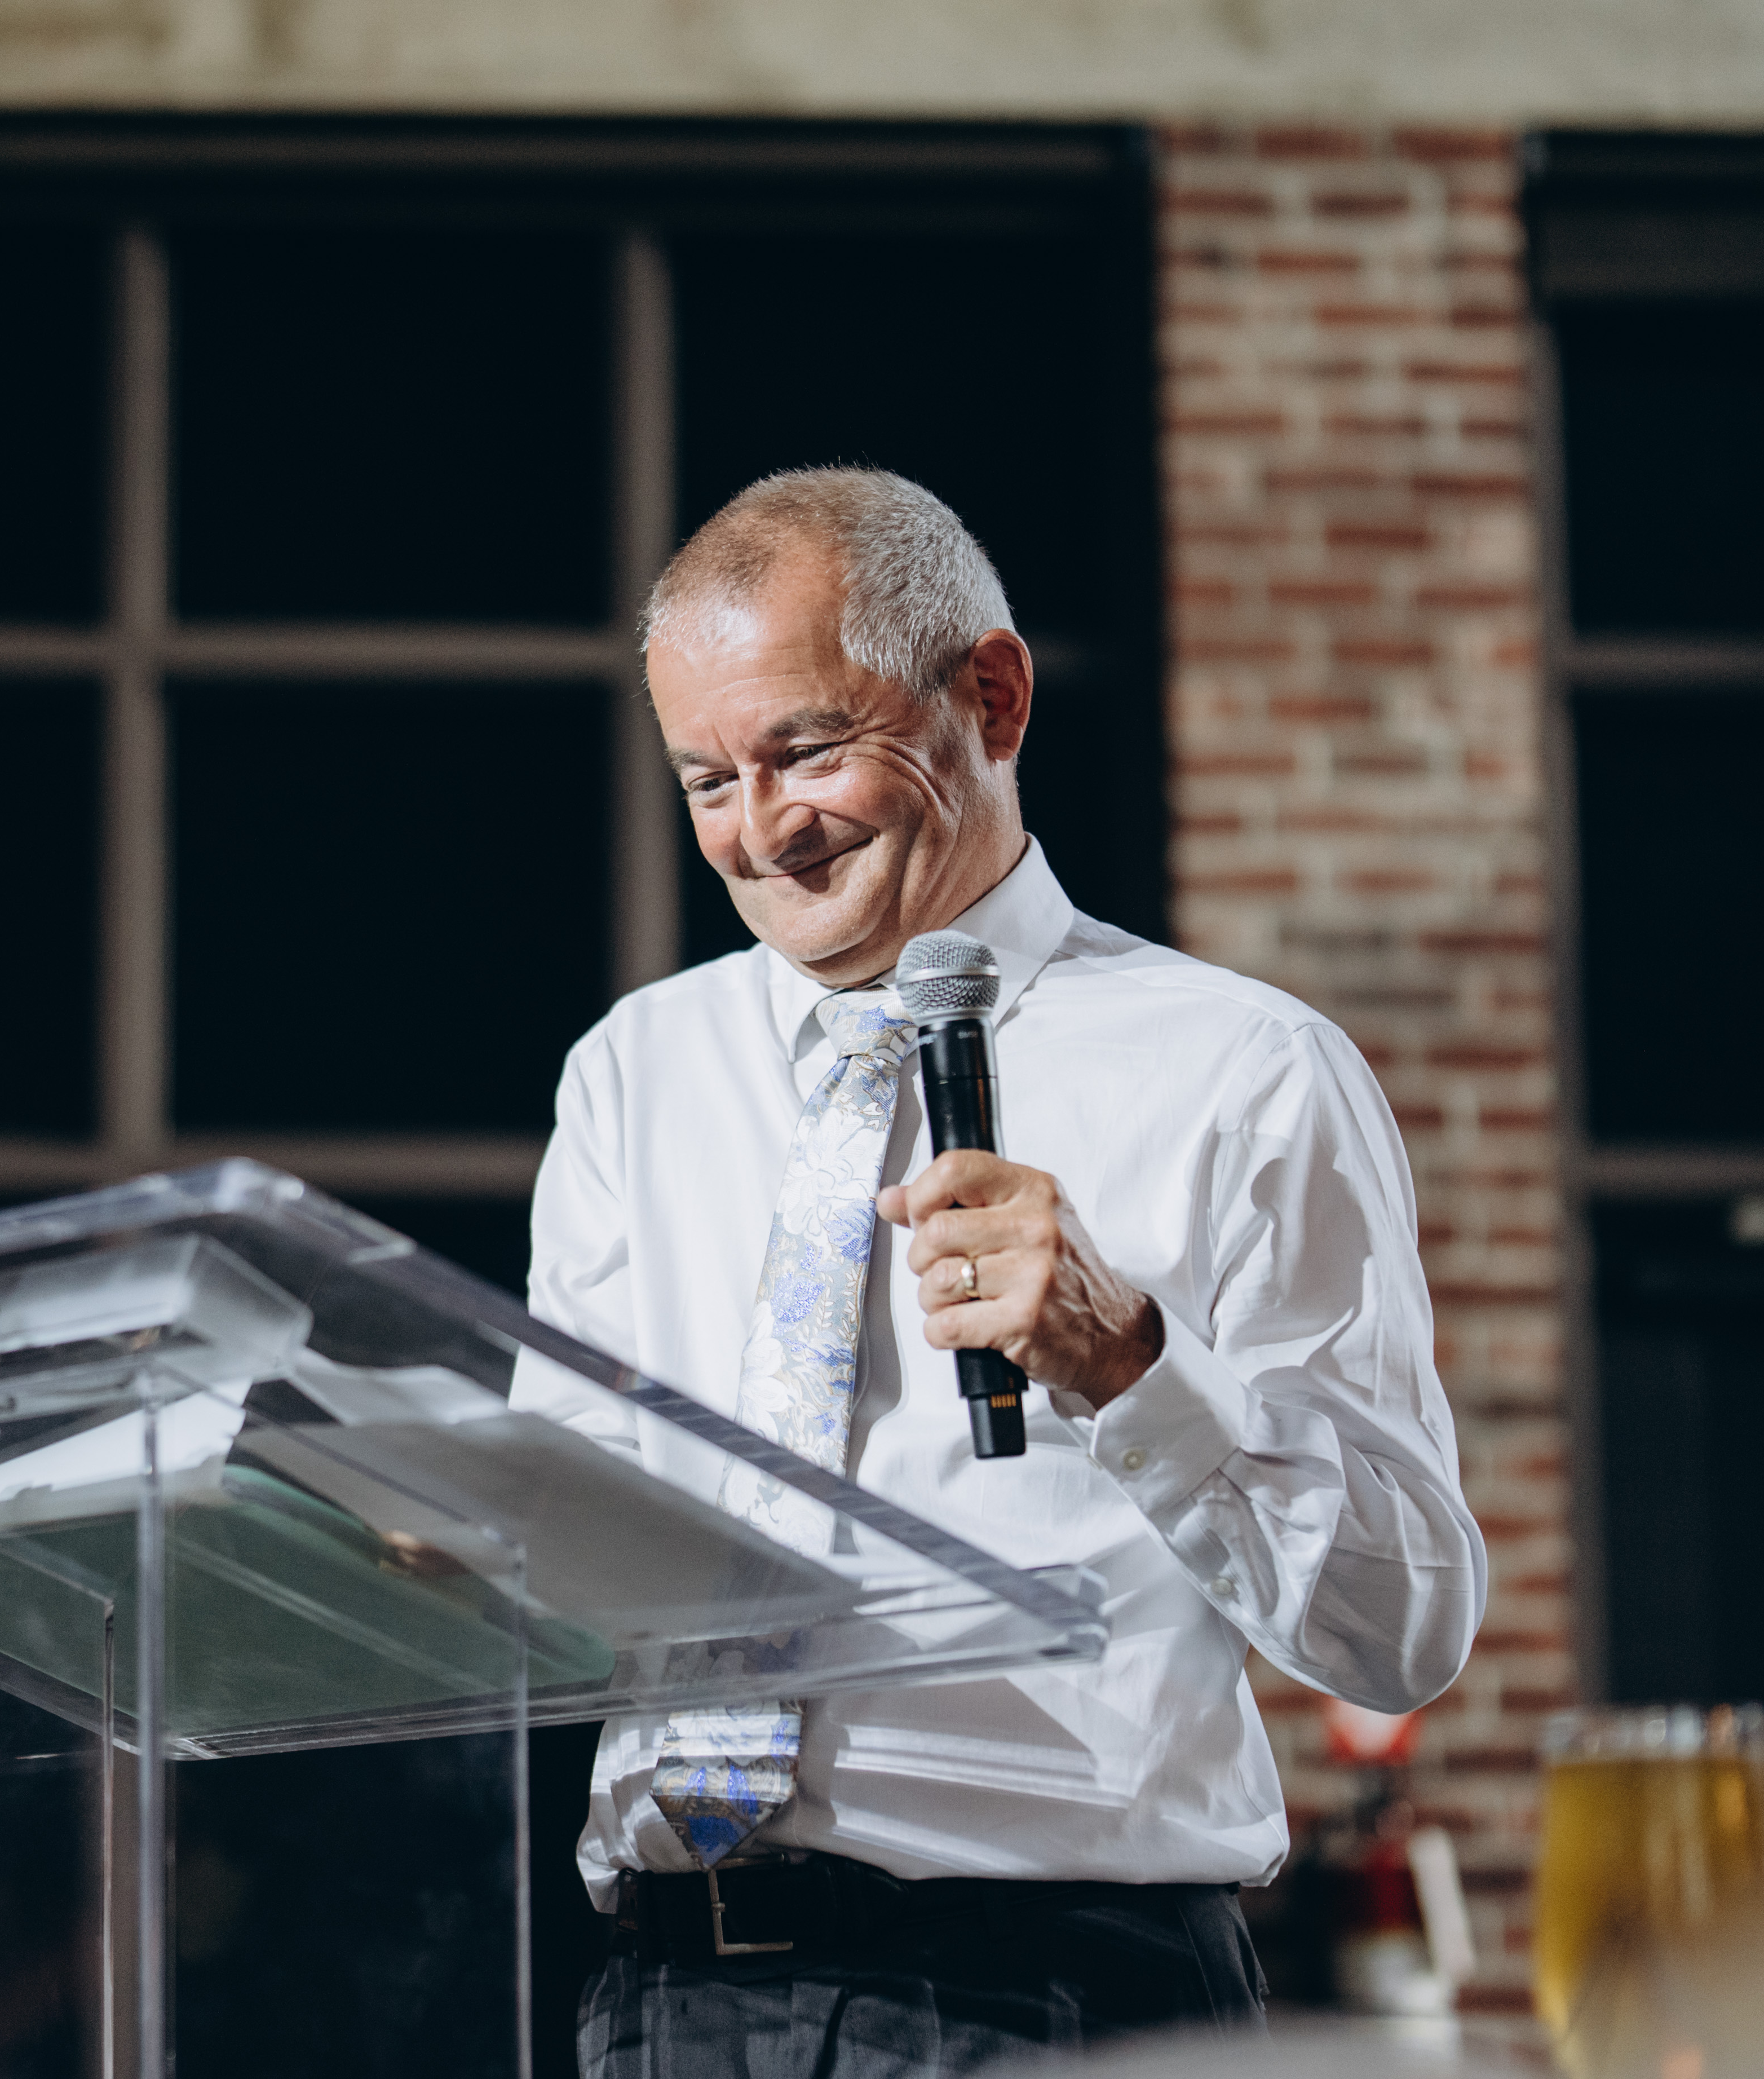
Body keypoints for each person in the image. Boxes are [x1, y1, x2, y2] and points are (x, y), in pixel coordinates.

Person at [528, 467, 1485, 2073]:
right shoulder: (633, 1074)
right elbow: (556, 1565)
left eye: (807, 750)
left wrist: (1132, 1363)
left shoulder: (1244, 1072)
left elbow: (1404, 1625)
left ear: (991, 694)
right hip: (662, 1998)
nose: (761, 828)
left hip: (1048, 1993)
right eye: (706, 777)